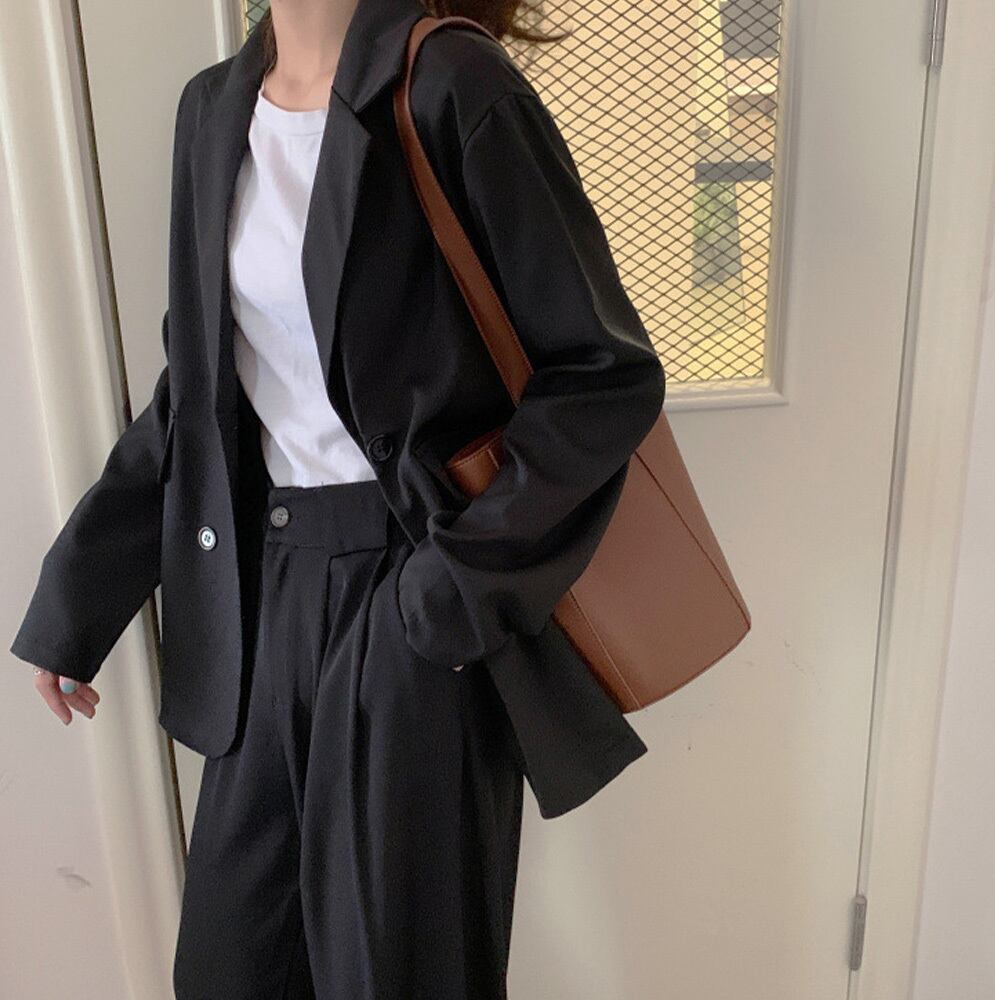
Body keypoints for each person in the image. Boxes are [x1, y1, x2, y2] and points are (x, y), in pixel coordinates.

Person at [10, 0, 667, 995]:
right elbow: (197, 393)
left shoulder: (453, 87)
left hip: (412, 595)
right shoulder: (213, 110)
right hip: (263, 597)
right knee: (231, 967)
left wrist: (446, 594)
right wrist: (79, 597)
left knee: (399, 971)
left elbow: (601, 376)